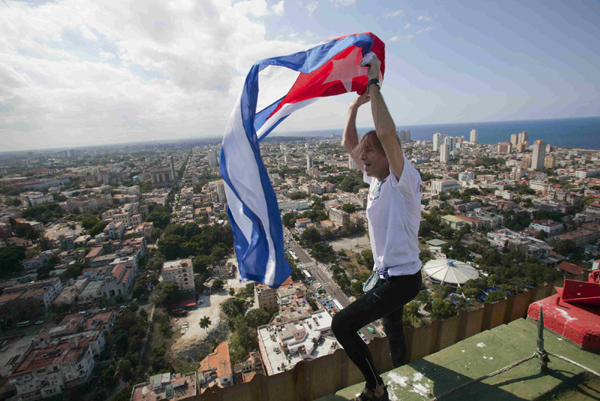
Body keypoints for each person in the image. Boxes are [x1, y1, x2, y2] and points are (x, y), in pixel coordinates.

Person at [331, 54, 423, 401]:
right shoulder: (376, 180)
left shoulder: (403, 179)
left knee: (342, 325)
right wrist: (354, 108)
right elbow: (347, 143)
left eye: (370, 151)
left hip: (402, 279)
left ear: (388, 153)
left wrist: (374, 83)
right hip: (389, 276)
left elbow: (386, 131)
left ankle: (376, 387)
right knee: (392, 326)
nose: (362, 155)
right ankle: (401, 371)